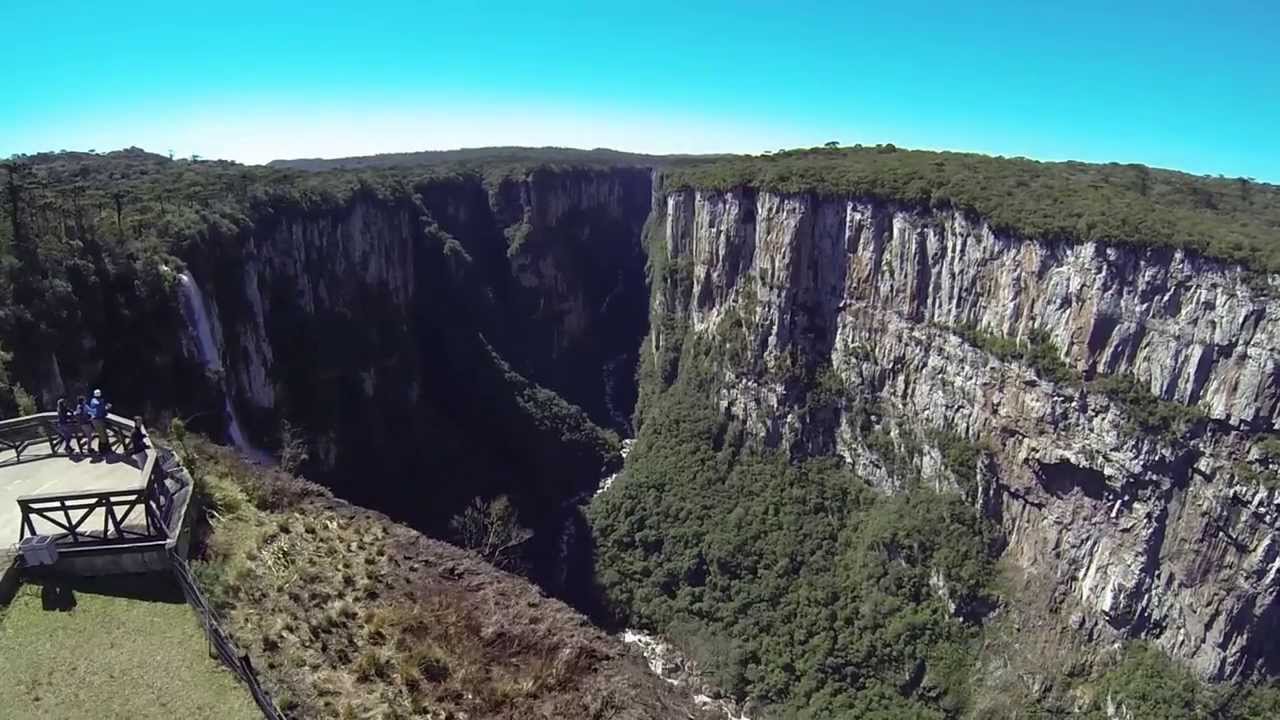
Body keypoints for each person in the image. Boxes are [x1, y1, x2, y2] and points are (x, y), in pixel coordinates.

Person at [87, 389, 112, 456]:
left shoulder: (92, 400)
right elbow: (102, 411)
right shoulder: (101, 401)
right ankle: (102, 450)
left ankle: (104, 449)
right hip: (99, 420)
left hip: (94, 420)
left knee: (101, 435)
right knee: (103, 436)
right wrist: (107, 407)